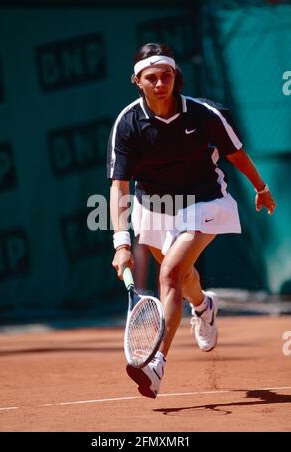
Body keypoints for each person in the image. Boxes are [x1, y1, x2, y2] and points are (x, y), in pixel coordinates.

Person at [107, 43, 276, 399]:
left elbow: (236, 154)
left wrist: (261, 188)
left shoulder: (204, 114)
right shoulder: (127, 123)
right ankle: (203, 305)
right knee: (181, 276)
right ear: (137, 81)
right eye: (150, 77)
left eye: (166, 75)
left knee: (168, 273)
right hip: (152, 205)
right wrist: (121, 242)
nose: (159, 83)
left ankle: (155, 365)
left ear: (175, 77)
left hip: (204, 200)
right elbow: (119, 186)